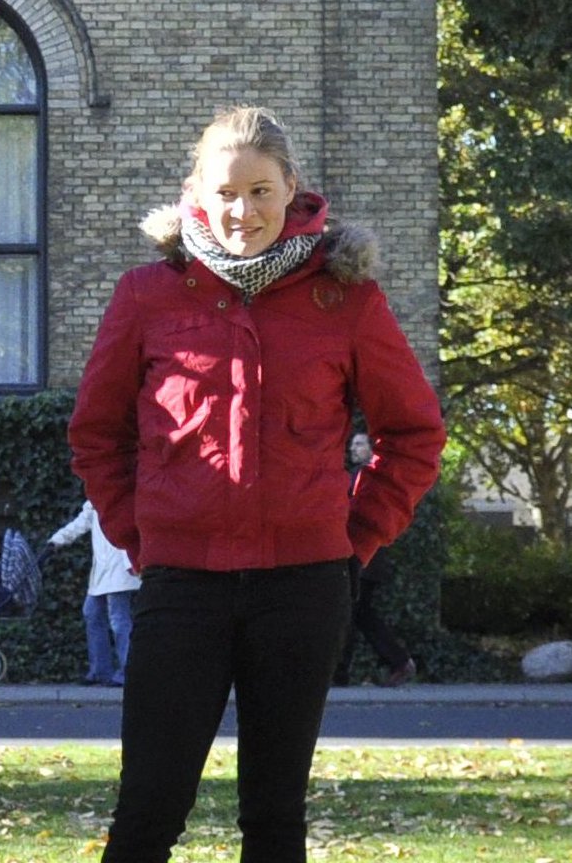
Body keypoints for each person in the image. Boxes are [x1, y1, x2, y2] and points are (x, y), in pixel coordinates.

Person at [69, 106, 445, 863]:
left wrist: (356, 535)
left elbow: (413, 435)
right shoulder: (147, 295)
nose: (242, 211)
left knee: (274, 818)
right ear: (195, 195)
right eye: (226, 192)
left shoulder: (345, 301)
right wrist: (142, 537)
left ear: (291, 190)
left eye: (260, 192)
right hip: (180, 586)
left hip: (302, 588)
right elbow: (96, 435)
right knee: (146, 810)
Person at [341, 430, 418, 688]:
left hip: (363, 559)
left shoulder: (364, 477)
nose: (354, 449)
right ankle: (399, 661)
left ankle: (339, 674)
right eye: (352, 445)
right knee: (360, 614)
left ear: (372, 449)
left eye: (359, 444)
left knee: (349, 614)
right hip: (366, 559)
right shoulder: (361, 476)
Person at [48, 500, 141, 686]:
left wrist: (131, 563)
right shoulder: (96, 499)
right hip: (102, 570)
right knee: (92, 613)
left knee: (118, 619)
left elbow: (128, 531)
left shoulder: (120, 497)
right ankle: (100, 671)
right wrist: (56, 540)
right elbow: (82, 522)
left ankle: (126, 672)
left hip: (120, 568)